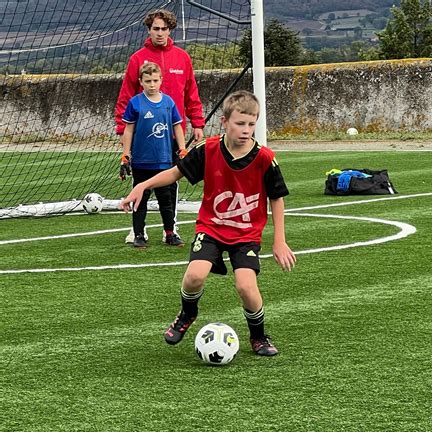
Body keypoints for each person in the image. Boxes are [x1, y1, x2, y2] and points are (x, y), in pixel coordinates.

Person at [120, 91, 296, 356]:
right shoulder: (208, 149)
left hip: (245, 233)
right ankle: (187, 314)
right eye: (240, 123)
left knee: (246, 286)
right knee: (194, 276)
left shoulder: (264, 158)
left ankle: (258, 336)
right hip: (211, 227)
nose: (246, 130)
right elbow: (174, 173)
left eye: (251, 124)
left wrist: (279, 240)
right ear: (225, 122)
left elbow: (277, 199)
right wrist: (143, 186)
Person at [115, 9, 205, 245]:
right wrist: (120, 129)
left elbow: (191, 93)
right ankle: (138, 231)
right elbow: (126, 96)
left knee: (170, 183)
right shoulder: (137, 58)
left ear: (170, 30)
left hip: (174, 135)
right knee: (141, 184)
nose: (160, 33)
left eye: (164, 29)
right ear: (149, 30)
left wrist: (197, 122)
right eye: (156, 28)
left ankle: (170, 228)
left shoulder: (182, 57)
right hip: (144, 136)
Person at [121, 62, 186, 248]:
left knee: (167, 201)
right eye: (147, 81)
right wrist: (125, 155)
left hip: (165, 162)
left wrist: (182, 149)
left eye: (155, 80)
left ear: (161, 80)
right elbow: (128, 130)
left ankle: (170, 233)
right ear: (141, 81)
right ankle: (139, 234)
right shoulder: (135, 103)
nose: (152, 84)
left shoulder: (168, 103)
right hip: (142, 162)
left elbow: (178, 127)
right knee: (140, 199)